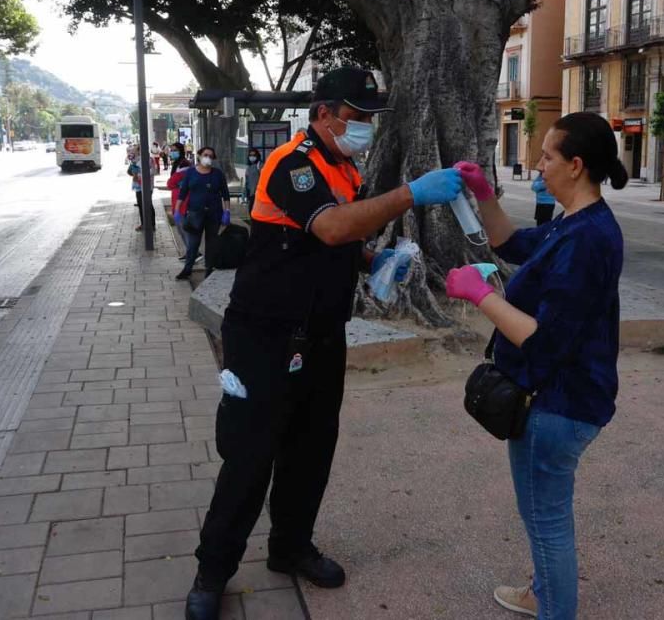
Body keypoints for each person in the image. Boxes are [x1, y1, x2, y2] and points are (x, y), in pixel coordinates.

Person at [184, 67, 465, 620]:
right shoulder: (293, 165)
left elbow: (332, 245)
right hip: (263, 336)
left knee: (310, 450)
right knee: (249, 457)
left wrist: (373, 260)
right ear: (324, 114)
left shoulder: (344, 169)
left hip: (318, 336)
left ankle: (290, 548)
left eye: (368, 118)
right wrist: (411, 194)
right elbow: (332, 227)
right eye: (356, 117)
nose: (364, 127)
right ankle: (212, 572)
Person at [446, 112, 627, 620]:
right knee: (541, 513)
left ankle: (554, 608)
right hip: (554, 396)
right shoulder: (572, 223)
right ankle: (543, 594)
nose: (538, 165)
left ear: (575, 165)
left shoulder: (588, 239)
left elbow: (544, 343)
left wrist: (480, 295)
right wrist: (483, 194)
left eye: (547, 156)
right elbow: (509, 244)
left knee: (546, 518)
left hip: (558, 403)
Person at [176, 147, 232, 279]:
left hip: (214, 213)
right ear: (199, 156)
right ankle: (188, 268)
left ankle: (209, 268)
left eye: (211, 156)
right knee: (193, 243)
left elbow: (225, 194)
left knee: (211, 242)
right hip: (195, 214)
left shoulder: (217, 174)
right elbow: (183, 192)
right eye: (206, 155)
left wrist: (227, 211)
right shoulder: (191, 173)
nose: (208, 158)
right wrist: (177, 210)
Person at [163, 142, 194, 260]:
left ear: (181, 151)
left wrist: (175, 184)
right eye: (171, 150)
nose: (172, 152)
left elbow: (171, 183)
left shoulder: (184, 164)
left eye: (175, 150)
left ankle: (193, 252)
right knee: (180, 228)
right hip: (177, 198)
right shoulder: (177, 163)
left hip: (184, 200)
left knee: (184, 227)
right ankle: (189, 251)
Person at [244, 147, 262, 215]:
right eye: (250, 155)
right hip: (251, 194)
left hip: (258, 194)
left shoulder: (260, 165)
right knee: (251, 212)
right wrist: (245, 194)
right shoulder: (248, 167)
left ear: (257, 156)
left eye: (254, 155)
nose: (252, 157)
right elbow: (247, 182)